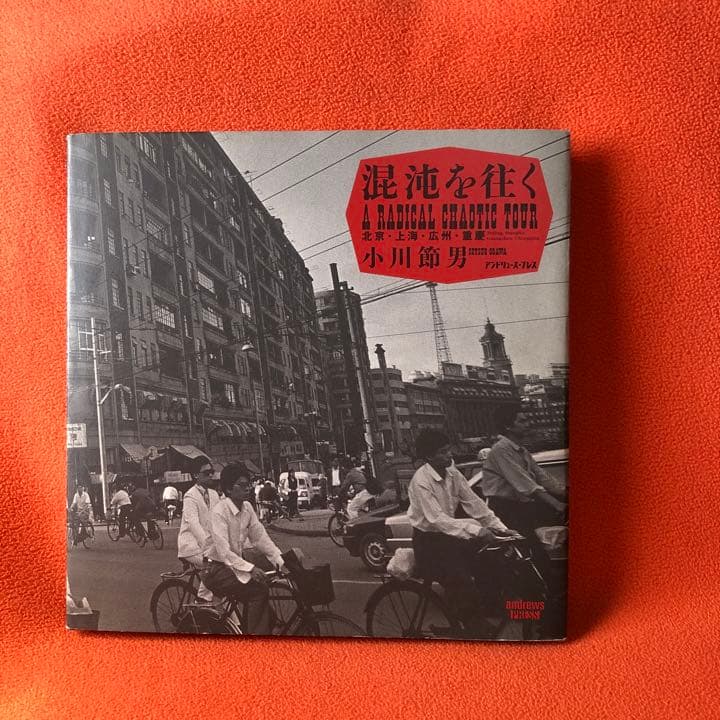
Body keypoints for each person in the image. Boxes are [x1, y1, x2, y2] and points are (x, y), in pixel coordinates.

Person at [408, 429, 518, 634]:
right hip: (429, 542)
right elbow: (437, 520)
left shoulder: (453, 473)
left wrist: (501, 528)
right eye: (442, 452)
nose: (449, 455)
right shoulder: (421, 481)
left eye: (448, 449)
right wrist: (477, 531)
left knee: (488, 560)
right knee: (460, 579)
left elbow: (475, 504)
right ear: (429, 456)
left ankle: (488, 607)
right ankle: (472, 626)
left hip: (449, 536)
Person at [480, 408, 567, 581]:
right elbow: (526, 484)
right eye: (522, 421)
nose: (528, 424)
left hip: (521, 506)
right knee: (528, 549)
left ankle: (548, 582)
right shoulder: (500, 450)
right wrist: (557, 504)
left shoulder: (521, 451)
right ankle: (541, 587)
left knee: (539, 545)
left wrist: (565, 493)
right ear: (508, 426)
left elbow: (544, 478)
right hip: (504, 508)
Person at [206, 473, 285, 634]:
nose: (247, 488)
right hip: (215, 569)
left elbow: (260, 538)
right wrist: (251, 569)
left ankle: (261, 627)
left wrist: (281, 560)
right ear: (229, 489)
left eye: (248, 484)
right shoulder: (219, 512)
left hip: (234, 565)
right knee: (258, 591)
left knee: (264, 585)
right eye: (242, 485)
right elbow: (224, 552)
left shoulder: (247, 507)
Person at [177, 456, 220, 602]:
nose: (211, 475)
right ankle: (201, 601)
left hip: (208, 546)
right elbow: (194, 524)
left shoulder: (214, 494)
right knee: (217, 565)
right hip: (191, 546)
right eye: (206, 473)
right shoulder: (190, 496)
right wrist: (208, 546)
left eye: (212, 472)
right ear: (196, 475)